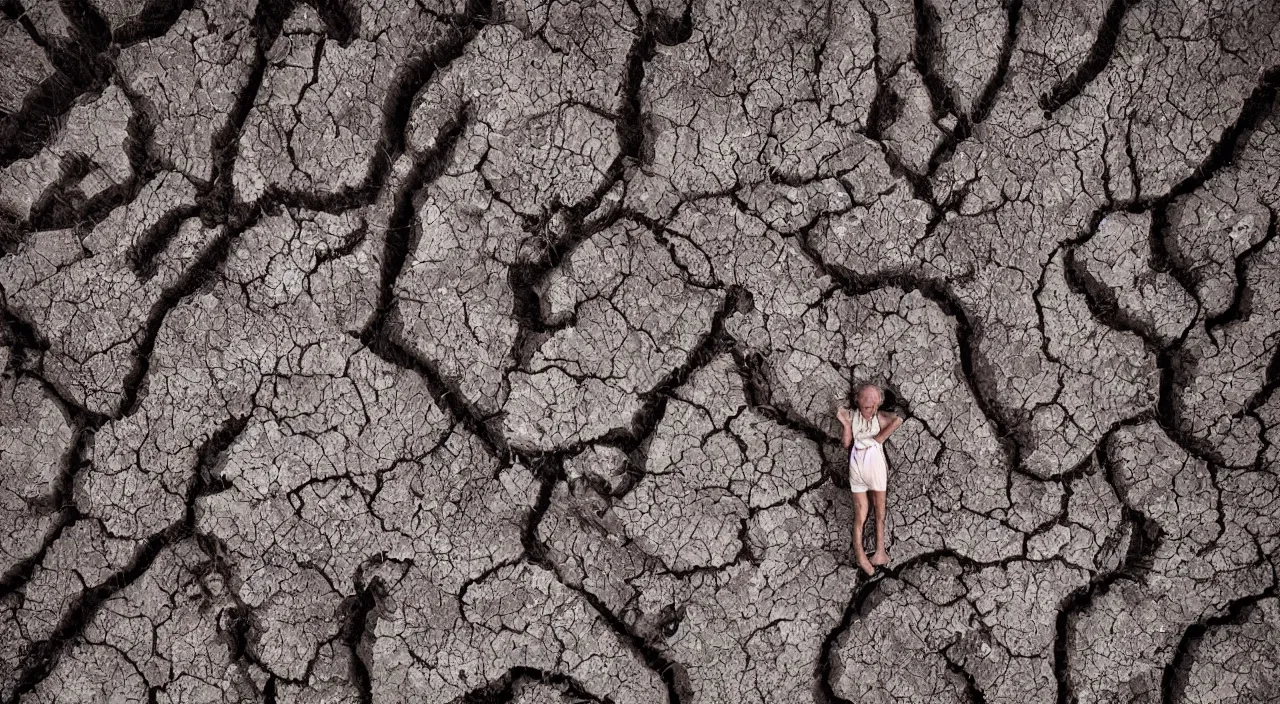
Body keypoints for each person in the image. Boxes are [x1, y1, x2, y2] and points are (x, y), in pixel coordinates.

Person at [836, 383, 902, 576]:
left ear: (878, 403)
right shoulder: (853, 417)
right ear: (857, 400)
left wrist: (879, 439)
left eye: (874, 402)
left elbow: (898, 419)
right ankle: (861, 556)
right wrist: (846, 425)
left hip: (876, 466)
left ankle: (880, 551)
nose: (870, 405)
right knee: (861, 513)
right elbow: (846, 443)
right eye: (866, 401)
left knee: (879, 510)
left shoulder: (879, 417)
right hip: (857, 465)